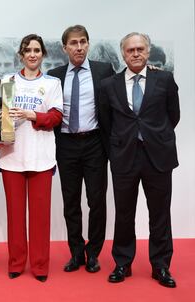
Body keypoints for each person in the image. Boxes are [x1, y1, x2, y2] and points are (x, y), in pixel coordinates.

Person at [99, 32, 180, 288]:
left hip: (158, 157)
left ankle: (161, 266)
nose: (135, 53)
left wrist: (155, 137)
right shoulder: (109, 85)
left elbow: (173, 116)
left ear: (148, 51)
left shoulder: (165, 79)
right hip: (124, 158)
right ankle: (123, 262)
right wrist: (118, 148)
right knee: (124, 214)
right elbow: (105, 123)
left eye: (140, 49)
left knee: (160, 214)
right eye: (130, 50)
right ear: (123, 53)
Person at [47, 25, 115, 274]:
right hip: (66, 145)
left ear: (88, 44)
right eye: (73, 43)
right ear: (65, 47)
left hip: (95, 143)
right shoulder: (55, 75)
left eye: (83, 42)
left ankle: (93, 253)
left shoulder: (103, 70)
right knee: (71, 202)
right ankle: (76, 252)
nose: (79, 47)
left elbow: (122, 86)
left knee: (97, 201)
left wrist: (151, 70)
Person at [0, 34, 63, 282]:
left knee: (40, 217)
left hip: (41, 157)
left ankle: (40, 266)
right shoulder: (7, 81)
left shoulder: (52, 83)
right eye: (28, 50)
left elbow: (56, 118)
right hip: (12, 157)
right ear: (21, 54)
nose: (32, 54)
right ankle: (15, 263)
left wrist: (32, 114)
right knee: (15, 216)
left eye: (37, 50)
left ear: (43, 54)